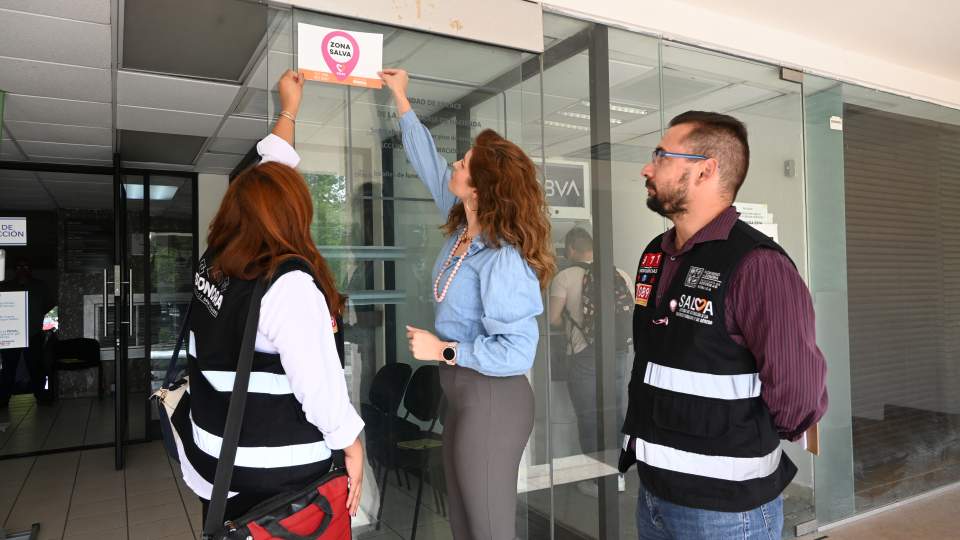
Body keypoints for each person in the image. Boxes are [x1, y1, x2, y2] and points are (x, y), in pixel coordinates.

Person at [620, 111, 828, 539]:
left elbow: (798, 393)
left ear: (705, 170)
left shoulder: (758, 265)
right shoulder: (654, 255)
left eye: (660, 156)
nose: (647, 167)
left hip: (728, 512)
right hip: (654, 493)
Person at [172, 70, 364, 522]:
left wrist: (289, 110)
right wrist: (352, 446)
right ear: (292, 215)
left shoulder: (217, 260)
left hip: (216, 464)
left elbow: (264, 176)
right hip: (273, 482)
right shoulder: (287, 284)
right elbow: (320, 392)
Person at [380, 67, 555, 540]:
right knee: (464, 519)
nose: (455, 164)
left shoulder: (502, 258)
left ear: (480, 189)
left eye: (465, 163)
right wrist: (401, 98)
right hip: (463, 394)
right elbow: (429, 163)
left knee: (489, 526)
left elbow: (519, 351)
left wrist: (443, 351)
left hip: (493, 395)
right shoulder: (463, 227)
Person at [548, 227, 632, 495]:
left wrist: (569, 327)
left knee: (588, 416)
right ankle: (617, 475)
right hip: (618, 351)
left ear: (571, 249)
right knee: (615, 411)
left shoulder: (564, 276)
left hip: (583, 352)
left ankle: (595, 478)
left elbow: (553, 318)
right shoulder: (620, 275)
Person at [0, 257, 54, 406]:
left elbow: (50, 307)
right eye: (18, 267)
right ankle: (3, 399)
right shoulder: (4, 287)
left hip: (34, 334)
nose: (22, 270)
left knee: (36, 366)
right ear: (13, 270)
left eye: (26, 266)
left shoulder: (40, 286)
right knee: (8, 368)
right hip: (11, 335)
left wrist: (43, 327)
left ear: (31, 269)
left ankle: (41, 396)